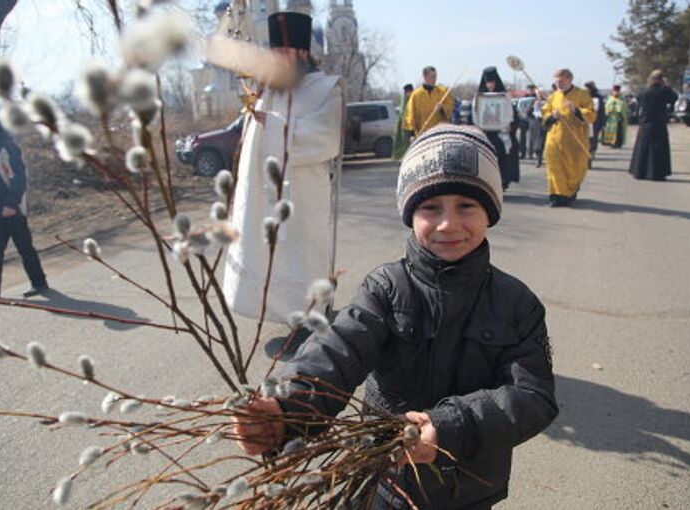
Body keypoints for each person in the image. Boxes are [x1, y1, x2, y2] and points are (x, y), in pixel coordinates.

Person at [234, 124, 558, 510]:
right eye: (430, 207)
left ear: (490, 211)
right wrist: (286, 409)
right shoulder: (387, 288)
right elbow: (337, 352)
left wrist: (450, 427)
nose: (448, 223)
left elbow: (532, 396)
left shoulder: (517, 303)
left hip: (468, 486)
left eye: (466, 206)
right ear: (410, 214)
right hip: (387, 475)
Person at [223, 12, 343, 332]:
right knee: (271, 254)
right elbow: (252, 146)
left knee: (306, 251)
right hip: (265, 190)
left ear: (304, 52)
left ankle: (315, 311)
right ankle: (282, 313)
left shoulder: (326, 88)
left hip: (304, 191)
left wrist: (275, 127)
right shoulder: (266, 90)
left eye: (289, 52)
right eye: (277, 53)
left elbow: (327, 138)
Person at [0, 103, 48, 299]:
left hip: (12, 209)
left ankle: (39, 283)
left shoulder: (7, 146)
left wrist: (11, 204)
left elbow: (19, 178)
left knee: (24, 248)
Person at [541, 69, 596, 207]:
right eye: (556, 81)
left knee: (573, 169)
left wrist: (576, 110)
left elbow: (591, 115)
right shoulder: (554, 96)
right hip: (554, 139)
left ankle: (569, 194)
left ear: (569, 80)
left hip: (574, 140)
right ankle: (556, 197)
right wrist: (552, 117)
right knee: (554, 168)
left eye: (561, 81)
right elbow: (545, 113)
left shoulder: (582, 94)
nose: (558, 83)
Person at [474, 67, 520, 191]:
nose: (490, 85)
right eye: (488, 82)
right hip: (485, 134)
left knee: (502, 157)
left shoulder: (504, 98)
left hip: (501, 134)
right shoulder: (479, 98)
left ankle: (502, 182)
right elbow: (474, 115)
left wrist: (509, 126)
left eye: (492, 82)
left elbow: (512, 116)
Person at [628, 70, 678, 181]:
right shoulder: (664, 91)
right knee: (658, 150)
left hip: (645, 124)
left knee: (643, 149)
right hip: (659, 124)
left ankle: (640, 172)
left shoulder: (644, 91)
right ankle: (657, 174)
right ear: (661, 80)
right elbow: (675, 97)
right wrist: (666, 85)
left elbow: (637, 99)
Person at [403, 66, 455, 138]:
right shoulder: (415, 95)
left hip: (440, 133)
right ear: (425, 77)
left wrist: (442, 108)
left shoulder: (443, 92)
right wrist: (412, 135)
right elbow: (410, 116)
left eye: (435, 76)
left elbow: (451, 108)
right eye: (432, 77)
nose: (435, 79)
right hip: (423, 134)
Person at [583, 81, 606, 162]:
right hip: (585, 121)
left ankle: (592, 152)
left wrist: (603, 123)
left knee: (593, 138)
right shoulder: (583, 96)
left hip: (596, 121)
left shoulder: (598, 97)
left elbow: (602, 111)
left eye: (587, 88)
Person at [392, 83, 414, 160]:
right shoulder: (404, 100)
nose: (407, 93)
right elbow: (403, 112)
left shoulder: (414, 98)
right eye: (406, 92)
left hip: (412, 125)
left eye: (409, 91)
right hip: (405, 126)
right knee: (404, 143)